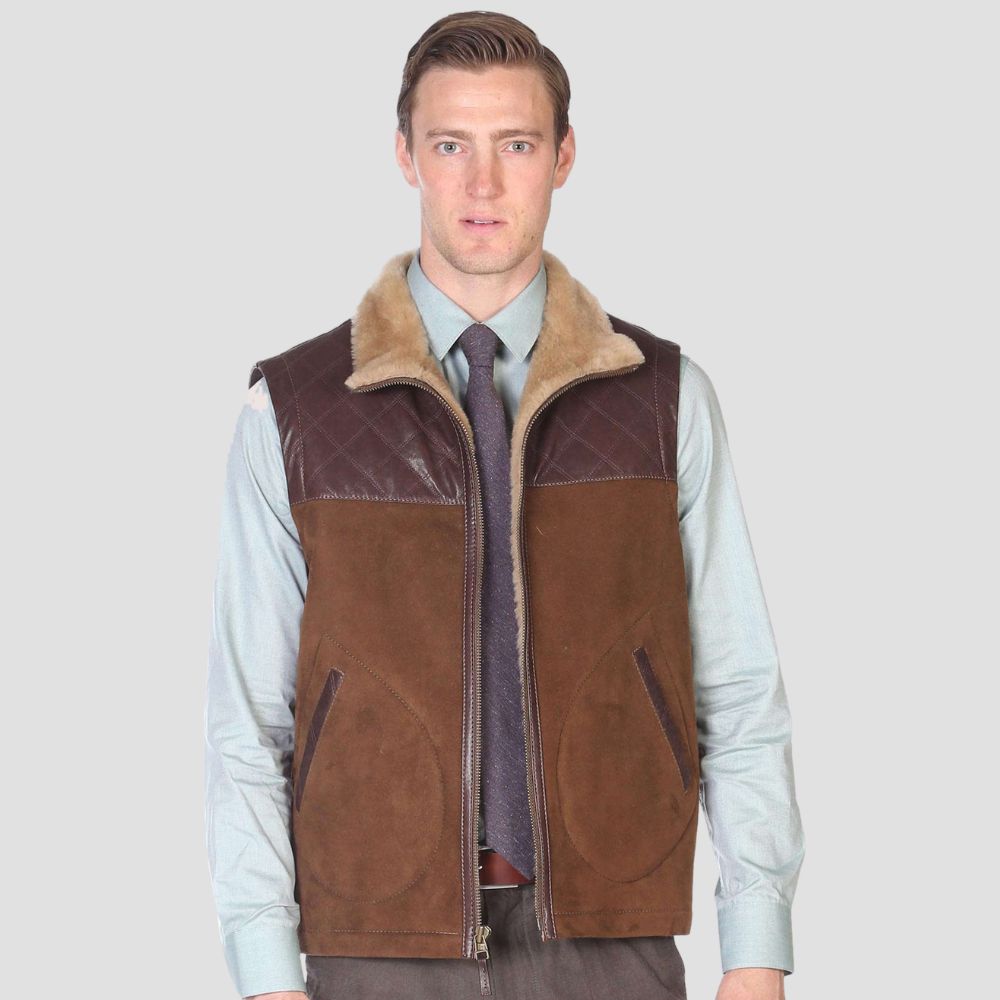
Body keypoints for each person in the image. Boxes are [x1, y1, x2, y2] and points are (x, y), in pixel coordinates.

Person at [203, 11, 805, 1000]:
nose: (481, 183)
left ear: (563, 156)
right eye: (451, 145)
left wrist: (755, 949)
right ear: (406, 156)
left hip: (613, 945)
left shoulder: (665, 400)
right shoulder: (295, 412)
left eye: (515, 145)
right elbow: (248, 721)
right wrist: (267, 972)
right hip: (375, 950)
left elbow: (737, 692)